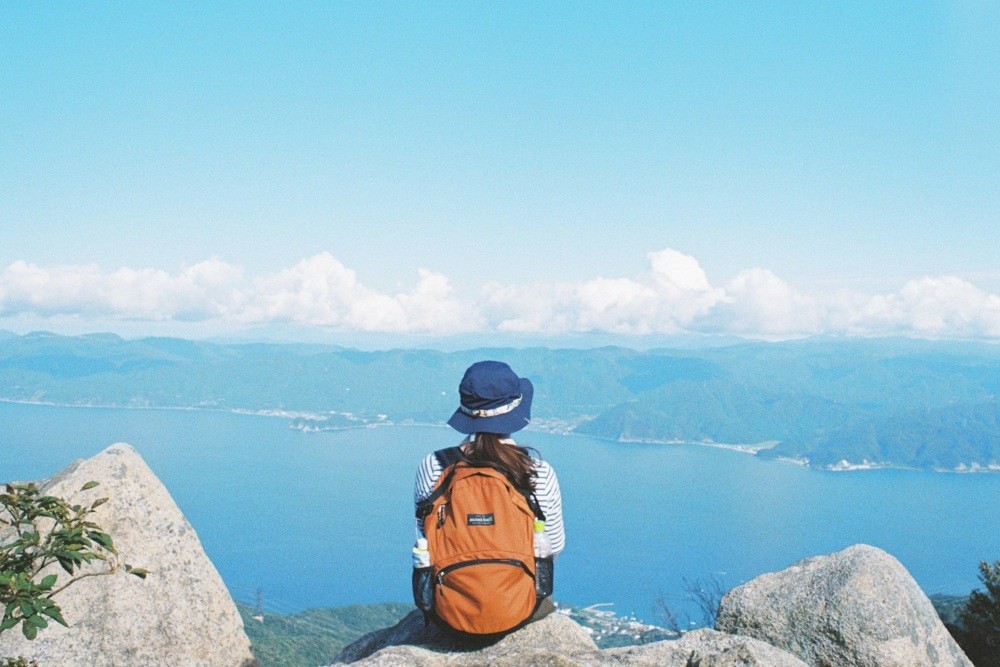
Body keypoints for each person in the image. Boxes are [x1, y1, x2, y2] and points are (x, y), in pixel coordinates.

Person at [413, 360, 565, 627]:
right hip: (521, 610)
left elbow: (425, 539)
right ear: (516, 410)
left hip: (448, 616)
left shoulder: (433, 466)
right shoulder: (538, 472)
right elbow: (553, 547)